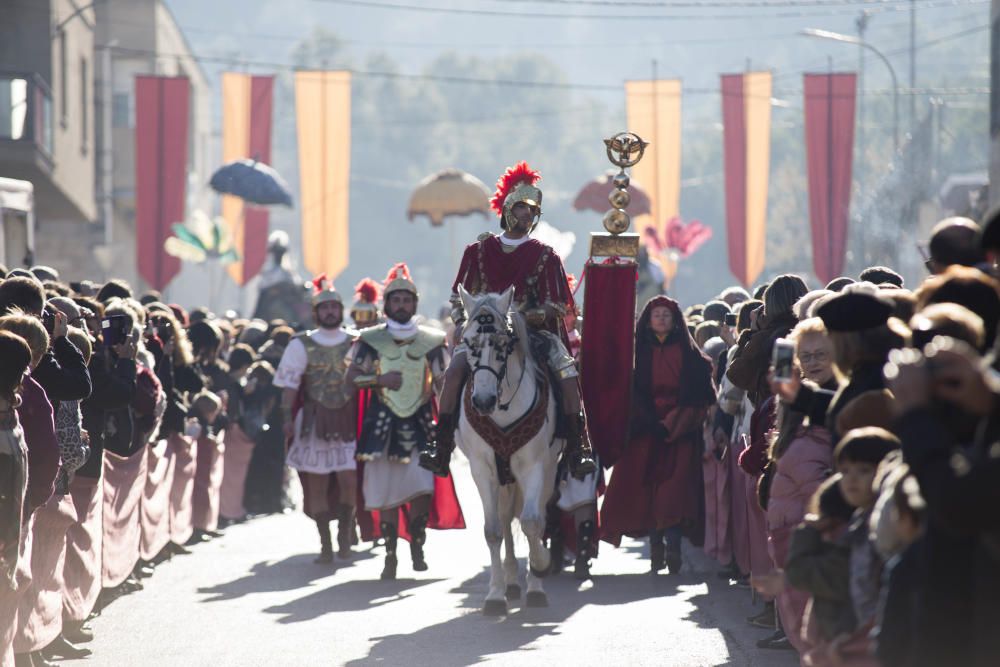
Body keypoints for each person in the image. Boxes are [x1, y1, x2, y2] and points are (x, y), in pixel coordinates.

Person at [420, 162, 595, 480]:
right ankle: (441, 443)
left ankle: (577, 446)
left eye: (533, 211)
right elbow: (457, 298)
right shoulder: (478, 251)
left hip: (534, 334)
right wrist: (462, 323)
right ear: (507, 208)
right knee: (455, 370)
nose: (528, 216)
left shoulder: (546, 255)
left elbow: (558, 304)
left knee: (566, 372)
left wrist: (523, 316)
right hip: (485, 334)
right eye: (522, 208)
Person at [348, 264, 452, 579]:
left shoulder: (432, 340)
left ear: (414, 303)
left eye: (407, 300)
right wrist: (378, 379)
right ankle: (391, 553)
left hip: (420, 422)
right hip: (381, 424)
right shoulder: (370, 339)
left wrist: (450, 414)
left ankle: (417, 540)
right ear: (387, 305)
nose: (402, 305)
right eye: (396, 300)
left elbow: (443, 382)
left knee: (422, 487)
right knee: (386, 490)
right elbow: (351, 377)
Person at [600, 296, 715, 574]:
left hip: (680, 431)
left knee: (673, 494)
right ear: (648, 321)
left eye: (666, 314)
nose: (662, 319)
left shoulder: (692, 357)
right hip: (644, 430)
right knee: (648, 493)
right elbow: (628, 392)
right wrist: (649, 422)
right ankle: (656, 551)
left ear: (675, 319)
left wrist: (672, 424)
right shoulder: (637, 353)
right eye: (657, 315)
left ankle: (673, 547)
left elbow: (699, 398)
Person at [273, 279, 359, 564]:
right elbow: (289, 385)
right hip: (313, 420)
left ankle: (344, 536)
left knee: (350, 480)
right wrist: (286, 418)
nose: (331, 312)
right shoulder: (301, 344)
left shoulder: (356, 341)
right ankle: (325, 544)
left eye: (335, 306)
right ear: (316, 312)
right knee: (317, 484)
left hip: (347, 420)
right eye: (326, 307)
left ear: (341, 310)